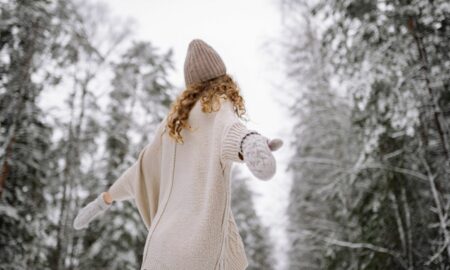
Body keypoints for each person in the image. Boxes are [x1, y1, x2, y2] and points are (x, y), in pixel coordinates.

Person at [73, 39, 283, 270]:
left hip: (159, 246)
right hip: (197, 250)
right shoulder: (216, 104)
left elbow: (139, 173)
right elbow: (229, 130)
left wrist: (104, 200)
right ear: (224, 79)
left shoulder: (170, 126)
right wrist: (249, 142)